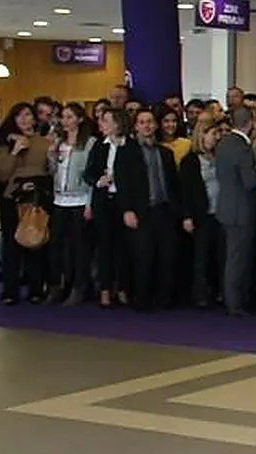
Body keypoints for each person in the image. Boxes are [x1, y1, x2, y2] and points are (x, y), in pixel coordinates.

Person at [119, 108, 181, 312]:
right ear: (136, 126)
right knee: (143, 256)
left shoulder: (165, 153)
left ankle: (164, 298)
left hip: (165, 210)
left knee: (167, 256)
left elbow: (173, 184)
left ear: (155, 125)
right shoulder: (127, 153)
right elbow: (123, 183)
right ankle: (141, 298)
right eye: (142, 122)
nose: (147, 126)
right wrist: (127, 210)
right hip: (141, 210)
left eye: (150, 122)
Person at [0, 102, 54, 305]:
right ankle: (10, 290)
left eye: (28, 115)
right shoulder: (6, 143)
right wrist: (14, 152)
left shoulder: (44, 143)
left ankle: (36, 288)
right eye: (19, 116)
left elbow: (49, 170)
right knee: (11, 243)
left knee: (36, 241)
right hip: (12, 197)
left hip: (36, 197)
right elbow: (2, 175)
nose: (24, 119)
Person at [214, 106, 256, 316]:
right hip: (241, 211)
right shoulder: (243, 147)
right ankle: (235, 303)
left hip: (226, 207)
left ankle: (232, 299)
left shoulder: (223, 143)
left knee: (232, 256)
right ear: (250, 123)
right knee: (238, 258)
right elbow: (250, 181)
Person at [47, 104, 95, 306]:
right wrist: (51, 155)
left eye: (69, 117)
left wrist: (90, 204)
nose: (65, 121)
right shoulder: (60, 142)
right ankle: (57, 285)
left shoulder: (90, 143)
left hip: (80, 199)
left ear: (80, 119)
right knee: (57, 246)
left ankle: (79, 286)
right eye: (63, 117)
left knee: (79, 247)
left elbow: (91, 175)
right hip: (59, 200)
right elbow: (53, 171)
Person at [178, 119, 228, 309]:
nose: (217, 137)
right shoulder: (190, 161)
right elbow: (184, 191)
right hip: (201, 214)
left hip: (221, 213)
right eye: (214, 133)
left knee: (222, 255)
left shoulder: (220, 157)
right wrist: (187, 216)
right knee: (201, 256)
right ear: (202, 135)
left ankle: (221, 291)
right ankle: (201, 293)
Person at [84, 108, 130, 309]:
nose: (101, 124)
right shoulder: (99, 146)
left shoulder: (130, 147)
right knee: (104, 247)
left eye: (106, 121)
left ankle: (122, 287)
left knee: (122, 248)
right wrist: (98, 181)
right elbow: (88, 173)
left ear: (117, 124)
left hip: (123, 202)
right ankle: (104, 289)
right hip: (103, 202)